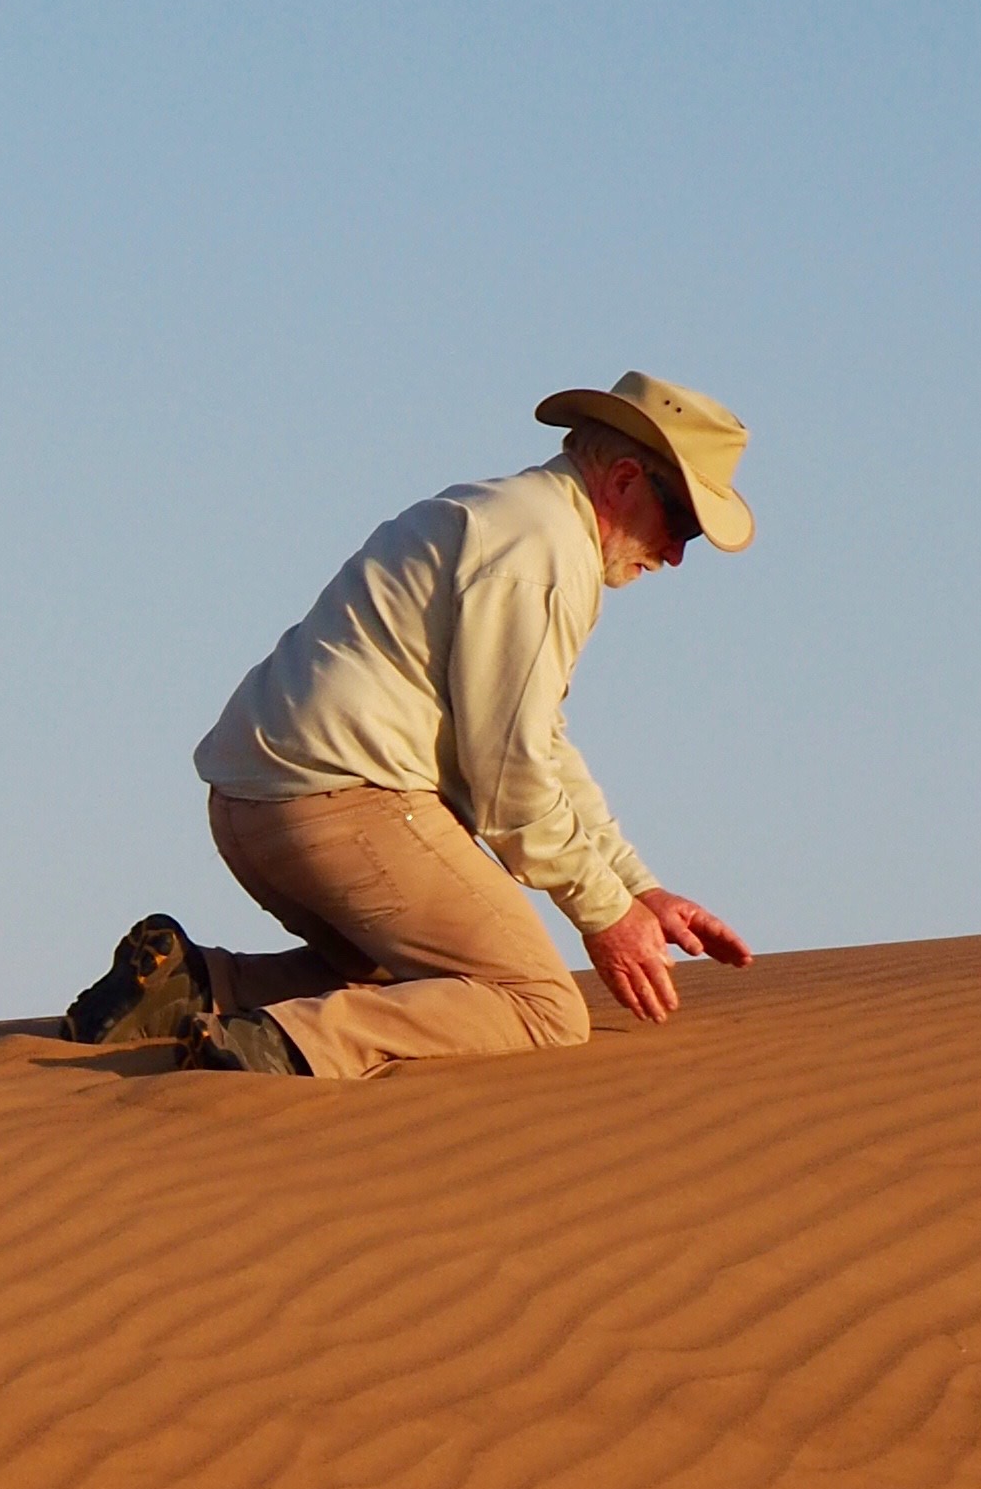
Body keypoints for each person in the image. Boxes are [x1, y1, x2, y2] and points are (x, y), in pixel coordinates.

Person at [67, 368, 757, 1082]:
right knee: (540, 1004)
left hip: (253, 806)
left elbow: (539, 739)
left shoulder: (516, 516)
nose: (675, 555)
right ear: (621, 481)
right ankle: (275, 1044)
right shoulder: (542, 555)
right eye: (681, 524)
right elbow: (509, 781)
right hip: (340, 807)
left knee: (429, 982)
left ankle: (194, 987)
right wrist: (606, 914)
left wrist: (639, 889)